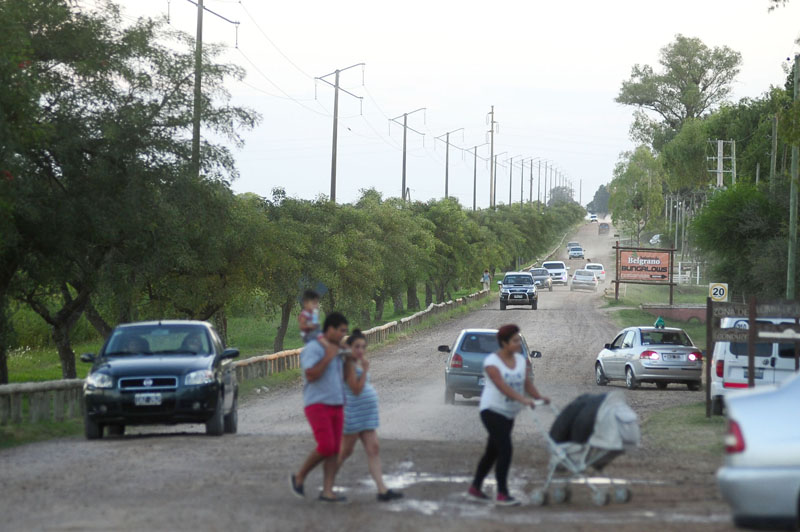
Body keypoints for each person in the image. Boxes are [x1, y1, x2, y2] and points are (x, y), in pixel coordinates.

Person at [467, 324, 549, 506]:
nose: (518, 344)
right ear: (504, 343)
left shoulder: (520, 361)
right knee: (505, 449)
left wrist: (538, 397)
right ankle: (502, 494)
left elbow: (526, 383)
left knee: (492, 452)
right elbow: (501, 386)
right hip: (491, 411)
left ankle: (475, 487)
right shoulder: (491, 362)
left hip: (508, 413)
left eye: (519, 340)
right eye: (515, 341)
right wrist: (523, 400)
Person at [336, 329, 403, 502]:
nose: (360, 350)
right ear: (350, 347)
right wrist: (365, 370)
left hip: (366, 416)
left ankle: (382, 490)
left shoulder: (355, 362)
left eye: (363, 347)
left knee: (373, 449)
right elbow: (356, 389)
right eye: (357, 346)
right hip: (354, 414)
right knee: (345, 452)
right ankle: (327, 483)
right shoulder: (349, 364)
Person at [290, 312, 349, 503]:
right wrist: (328, 357)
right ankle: (299, 477)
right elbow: (311, 375)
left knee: (335, 450)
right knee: (326, 446)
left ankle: (328, 491)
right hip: (317, 404)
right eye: (341, 331)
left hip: (337, 403)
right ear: (330, 329)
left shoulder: (336, 349)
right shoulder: (314, 348)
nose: (342, 335)